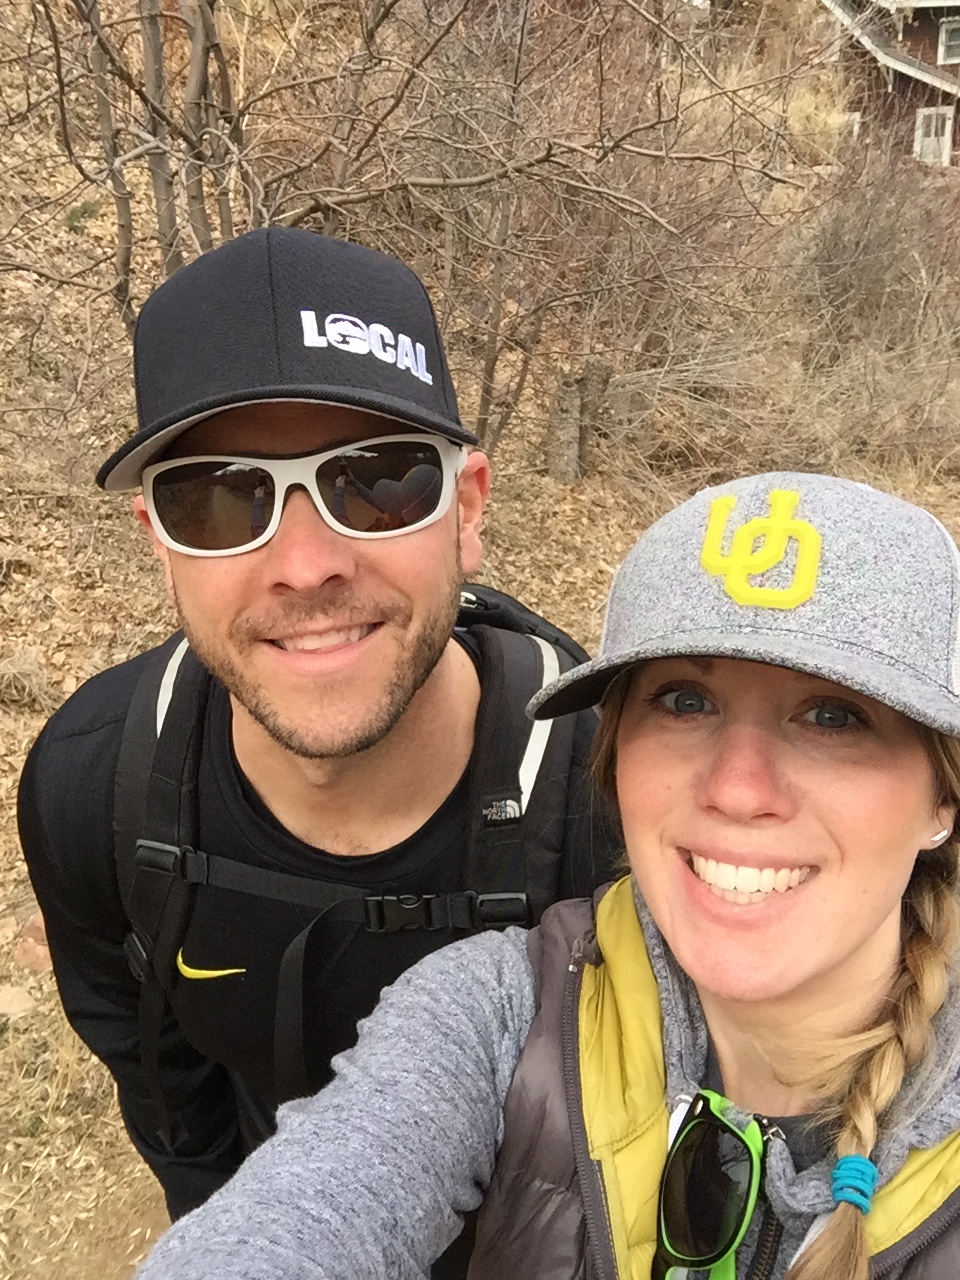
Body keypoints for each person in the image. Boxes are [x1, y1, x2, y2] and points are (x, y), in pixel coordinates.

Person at [133, 471, 960, 1280]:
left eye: (832, 715)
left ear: (942, 802)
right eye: (683, 702)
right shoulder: (500, 1016)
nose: (738, 789)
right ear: (615, 763)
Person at [16, 228, 621, 1278]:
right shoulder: (92, 785)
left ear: (467, 509)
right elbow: (154, 1069)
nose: (304, 564)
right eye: (219, 496)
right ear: (160, 537)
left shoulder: (614, 801)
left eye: (375, 480)